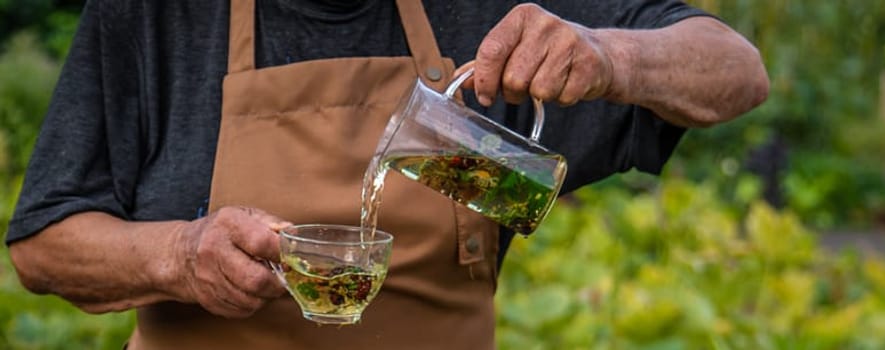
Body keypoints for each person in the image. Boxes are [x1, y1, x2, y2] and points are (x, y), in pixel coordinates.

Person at [4, 0, 767, 348]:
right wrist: (179, 256)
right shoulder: (153, 18)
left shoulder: (491, 15)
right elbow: (43, 244)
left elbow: (738, 70)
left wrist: (611, 57)